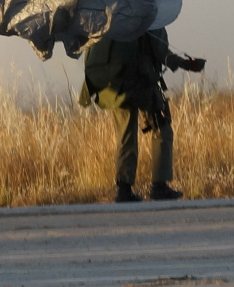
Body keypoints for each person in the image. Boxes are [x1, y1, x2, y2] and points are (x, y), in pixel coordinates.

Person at [80, 28, 206, 202]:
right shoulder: (150, 17)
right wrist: (186, 64)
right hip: (141, 83)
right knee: (162, 130)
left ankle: (124, 190)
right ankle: (159, 187)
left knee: (126, 136)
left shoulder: (107, 20)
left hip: (113, 86)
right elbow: (164, 55)